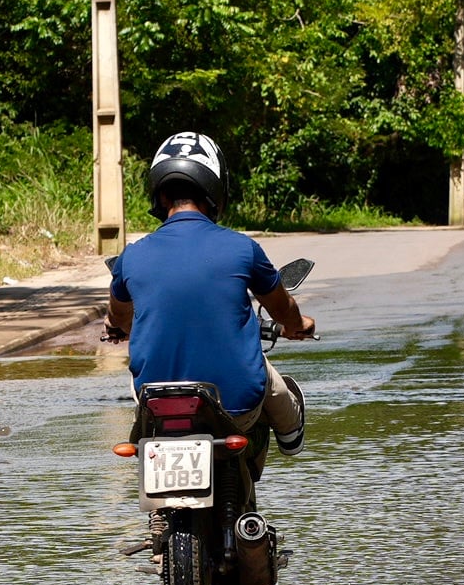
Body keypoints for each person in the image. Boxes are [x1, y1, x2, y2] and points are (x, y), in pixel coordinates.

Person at [105, 131, 316, 455]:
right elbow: (282, 308)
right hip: (237, 410)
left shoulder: (131, 257)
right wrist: (296, 324)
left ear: (160, 196)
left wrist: (119, 328)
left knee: (141, 392)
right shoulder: (243, 249)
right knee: (268, 377)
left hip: (158, 408)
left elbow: (118, 315)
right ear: (215, 191)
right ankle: (290, 437)